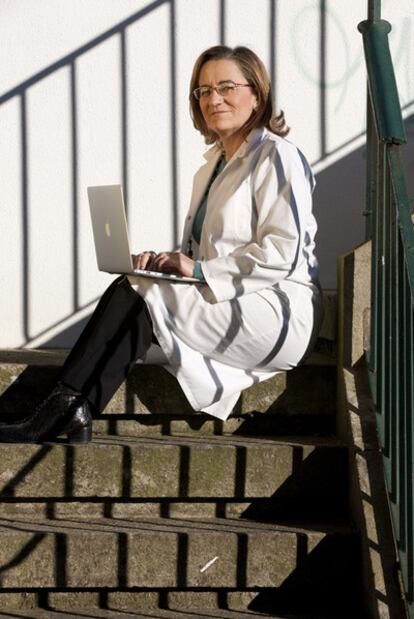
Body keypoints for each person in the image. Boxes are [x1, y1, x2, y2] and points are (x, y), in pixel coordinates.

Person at [0, 45, 323, 443]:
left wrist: (199, 271)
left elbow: (281, 253)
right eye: (203, 91)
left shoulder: (278, 156)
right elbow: (209, 253)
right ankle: (72, 409)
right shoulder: (212, 166)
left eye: (226, 87)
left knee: (139, 296)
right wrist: (168, 263)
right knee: (134, 287)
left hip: (276, 310)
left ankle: (62, 411)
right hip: (228, 296)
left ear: (257, 94)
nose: (213, 98)